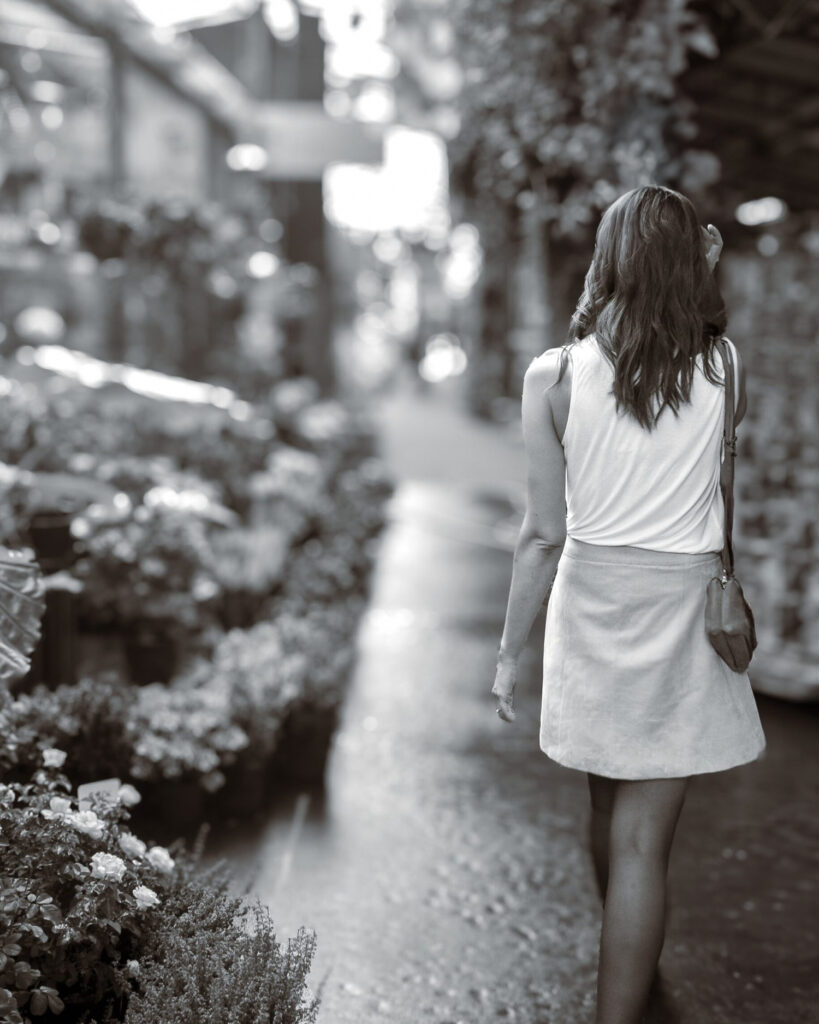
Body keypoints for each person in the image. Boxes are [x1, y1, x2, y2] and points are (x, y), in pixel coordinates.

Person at [490, 184, 766, 1024]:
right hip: (682, 604)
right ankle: (628, 990)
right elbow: (718, 461)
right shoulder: (724, 368)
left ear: (606, 259)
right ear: (693, 258)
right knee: (644, 839)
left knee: (605, 806)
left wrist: (509, 655)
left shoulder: (556, 374)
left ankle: (625, 957)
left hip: (592, 604)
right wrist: (705, 268)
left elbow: (542, 533)